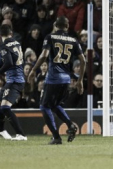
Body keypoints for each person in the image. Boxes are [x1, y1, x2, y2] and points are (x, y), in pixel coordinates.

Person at [28, 16, 86, 145]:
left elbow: (44, 55)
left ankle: (56, 137)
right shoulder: (73, 40)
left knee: (44, 107)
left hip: (53, 77)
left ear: (55, 25)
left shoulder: (50, 37)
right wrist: (80, 80)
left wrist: (33, 70)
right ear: (67, 26)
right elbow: (83, 60)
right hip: (66, 79)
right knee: (54, 105)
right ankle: (70, 125)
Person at [0, 24, 27, 141]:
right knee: (1, 105)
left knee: (5, 107)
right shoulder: (17, 43)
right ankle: (2, 131)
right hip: (17, 78)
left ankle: (21, 134)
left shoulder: (4, 46)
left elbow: (9, 63)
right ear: (11, 33)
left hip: (14, 81)